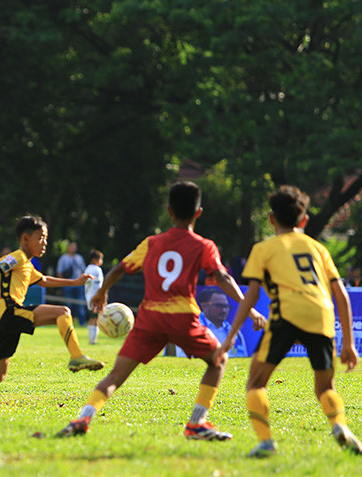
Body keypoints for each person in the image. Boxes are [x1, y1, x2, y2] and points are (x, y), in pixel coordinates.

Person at [54, 181, 265, 439]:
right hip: (183, 318)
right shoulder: (203, 245)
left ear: (169, 211)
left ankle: (84, 417)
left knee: (116, 375)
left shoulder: (152, 243)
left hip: (150, 318)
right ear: (198, 213)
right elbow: (223, 278)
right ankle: (197, 423)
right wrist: (249, 308)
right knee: (218, 360)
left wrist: (102, 291)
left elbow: (121, 268)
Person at [217, 185, 362, 458]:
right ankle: (340, 426)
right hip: (321, 314)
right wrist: (350, 343)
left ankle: (265, 442)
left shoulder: (264, 248)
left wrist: (229, 337)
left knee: (256, 383)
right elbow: (340, 294)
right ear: (304, 220)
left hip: (286, 313)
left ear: (271, 219)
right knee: (325, 388)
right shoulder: (318, 249)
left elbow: (251, 295)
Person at [0, 215, 104, 418]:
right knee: (62, 312)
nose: (44, 242)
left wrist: (74, 282)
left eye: (45, 238)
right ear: (25, 238)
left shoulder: (27, 264)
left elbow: (43, 280)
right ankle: (76, 357)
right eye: (40, 237)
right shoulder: (18, 257)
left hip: (2, 320)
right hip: (9, 312)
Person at [176, 287, 248, 358]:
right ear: (204, 306)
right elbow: (183, 358)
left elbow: (242, 359)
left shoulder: (235, 333)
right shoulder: (191, 328)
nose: (224, 310)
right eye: (219, 306)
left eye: (226, 306)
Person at [56, 241, 87, 324]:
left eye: (74, 247)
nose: (73, 248)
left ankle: (82, 322)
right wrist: (63, 283)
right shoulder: (63, 258)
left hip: (79, 285)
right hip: (68, 284)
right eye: (71, 246)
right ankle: (67, 322)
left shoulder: (79, 258)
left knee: (80, 303)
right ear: (68, 248)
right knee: (68, 304)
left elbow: (84, 271)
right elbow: (59, 272)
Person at [83, 249, 104, 344]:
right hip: (96, 297)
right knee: (95, 318)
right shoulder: (97, 270)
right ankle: (93, 340)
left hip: (88, 296)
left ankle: (92, 339)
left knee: (92, 317)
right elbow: (98, 285)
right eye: (100, 259)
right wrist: (101, 296)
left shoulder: (87, 269)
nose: (101, 261)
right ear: (95, 259)